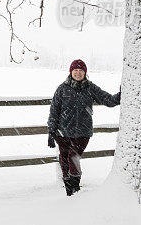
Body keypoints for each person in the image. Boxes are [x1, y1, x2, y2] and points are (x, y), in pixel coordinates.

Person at [47, 59, 120, 196]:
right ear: (71, 72)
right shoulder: (62, 89)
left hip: (83, 132)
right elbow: (54, 111)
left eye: (81, 71)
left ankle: (75, 187)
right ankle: (70, 189)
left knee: (73, 157)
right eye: (75, 71)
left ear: (85, 73)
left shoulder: (90, 88)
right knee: (64, 158)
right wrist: (51, 132)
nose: (78, 73)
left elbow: (108, 100)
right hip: (62, 132)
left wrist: (121, 95)